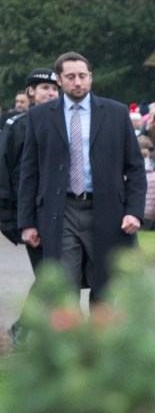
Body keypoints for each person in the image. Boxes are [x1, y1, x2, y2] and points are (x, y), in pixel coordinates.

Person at [18, 52, 146, 300]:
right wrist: (27, 222)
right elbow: (29, 171)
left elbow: (135, 167)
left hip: (107, 209)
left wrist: (134, 211)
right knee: (64, 284)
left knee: (106, 284)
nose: (77, 82)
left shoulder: (116, 113)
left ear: (91, 77)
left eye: (82, 76)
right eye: (71, 77)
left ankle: (100, 338)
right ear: (59, 79)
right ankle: (71, 336)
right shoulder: (40, 116)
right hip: (60, 209)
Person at [0, 68, 60, 345]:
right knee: (50, 275)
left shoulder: (66, 124)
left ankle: (33, 326)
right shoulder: (17, 127)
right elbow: (3, 174)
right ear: (30, 92)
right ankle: (27, 327)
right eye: (44, 88)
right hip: (30, 216)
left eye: (54, 88)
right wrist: (10, 220)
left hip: (60, 213)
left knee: (57, 275)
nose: (51, 93)